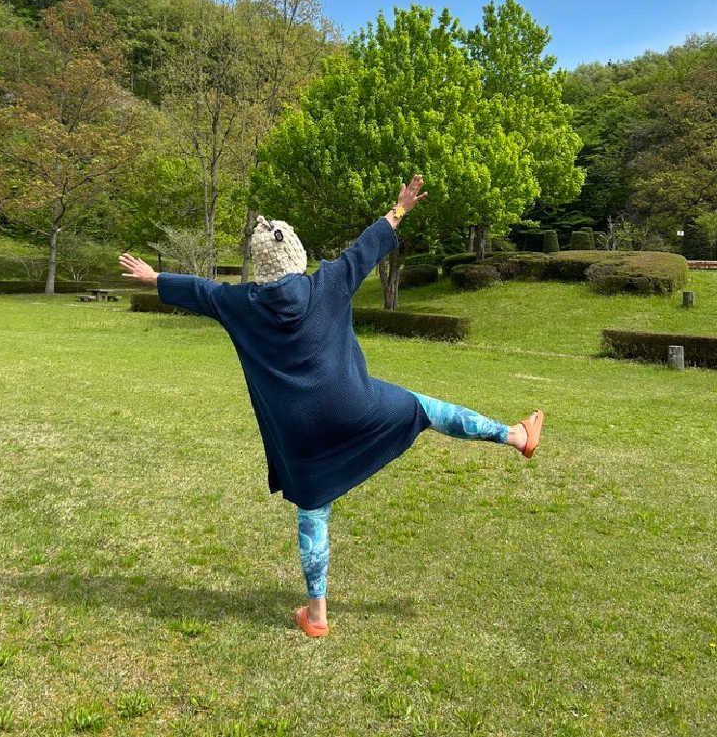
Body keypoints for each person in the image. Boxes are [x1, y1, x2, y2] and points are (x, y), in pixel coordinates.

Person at [119, 175, 543, 638]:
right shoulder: (330, 283)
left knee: (313, 509)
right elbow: (369, 245)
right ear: (297, 255)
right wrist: (400, 208)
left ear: (260, 268)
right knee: (424, 408)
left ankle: (317, 616)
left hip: (297, 432)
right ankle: (515, 435)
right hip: (356, 407)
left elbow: (198, 290)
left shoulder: (237, 302)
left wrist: (154, 277)